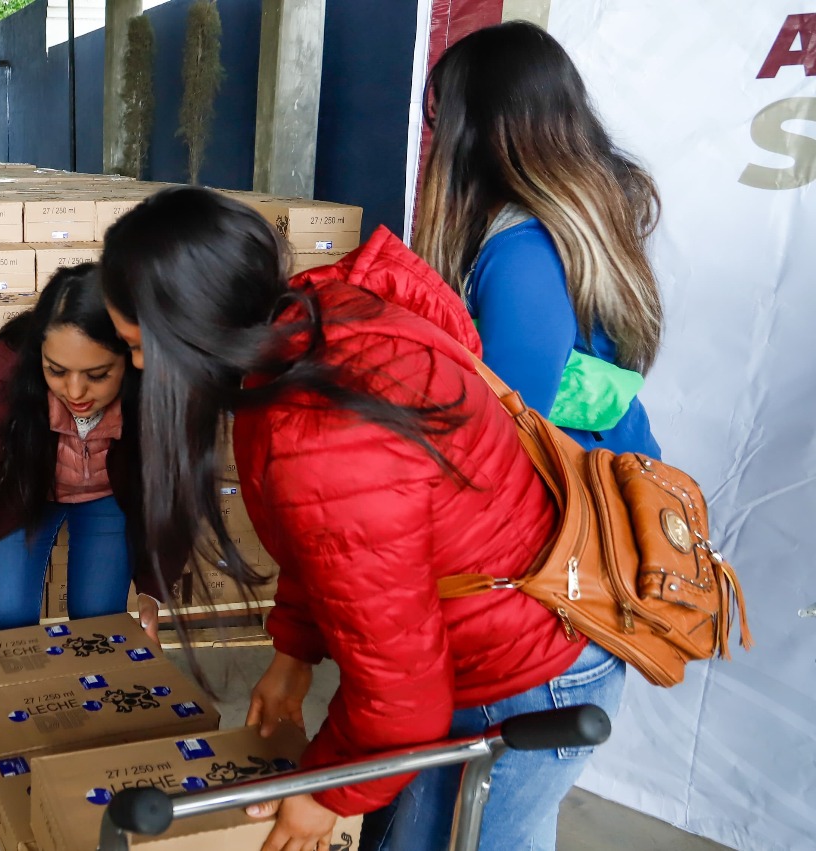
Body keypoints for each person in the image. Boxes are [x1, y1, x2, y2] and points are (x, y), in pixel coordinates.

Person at [100, 186, 625, 851]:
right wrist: (294, 649)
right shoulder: (307, 330)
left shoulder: (324, 432)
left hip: (526, 676)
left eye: (138, 344)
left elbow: (403, 695)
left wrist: (324, 792)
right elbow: (332, 540)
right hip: (492, 630)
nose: (138, 366)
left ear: (192, 327)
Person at [0, 264, 177, 723]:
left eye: (98, 375)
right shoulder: (2, 373)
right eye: (56, 372)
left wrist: (152, 596)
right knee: (6, 627)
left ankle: (86, 720)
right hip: (24, 495)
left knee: (100, 624)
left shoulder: (159, 383)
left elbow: (168, 494)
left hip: (106, 499)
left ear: (133, 358)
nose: (76, 391)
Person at [414, 21, 663, 459]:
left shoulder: (525, 254)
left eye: (442, 121)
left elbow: (503, 430)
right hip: (600, 482)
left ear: (473, 132)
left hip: (567, 501)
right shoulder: (549, 229)